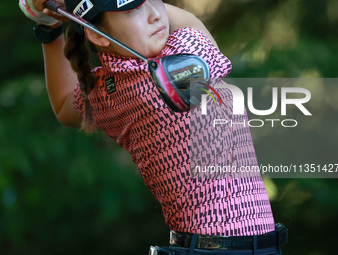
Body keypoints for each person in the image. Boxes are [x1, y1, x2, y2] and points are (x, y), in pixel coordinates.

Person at [19, 0, 288, 254]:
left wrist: (49, 27)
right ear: (98, 35)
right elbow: (189, 20)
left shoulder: (105, 91)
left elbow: (64, 105)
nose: (155, 13)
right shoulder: (184, 54)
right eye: (132, 8)